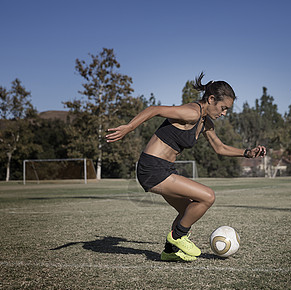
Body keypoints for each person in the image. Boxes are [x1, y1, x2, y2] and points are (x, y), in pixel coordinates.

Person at [106, 73, 266, 262]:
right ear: (211, 99)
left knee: (187, 210)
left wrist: (247, 153)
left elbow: (219, 148)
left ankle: (170, 251)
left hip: (164, 168)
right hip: (152, 168)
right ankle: (177, 237)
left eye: (227, 110)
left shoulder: (205, 122)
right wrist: (129, 128)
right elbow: (155, 109)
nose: (224, 113)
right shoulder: (192, 112)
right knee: (208, 196)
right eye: (223, 108)